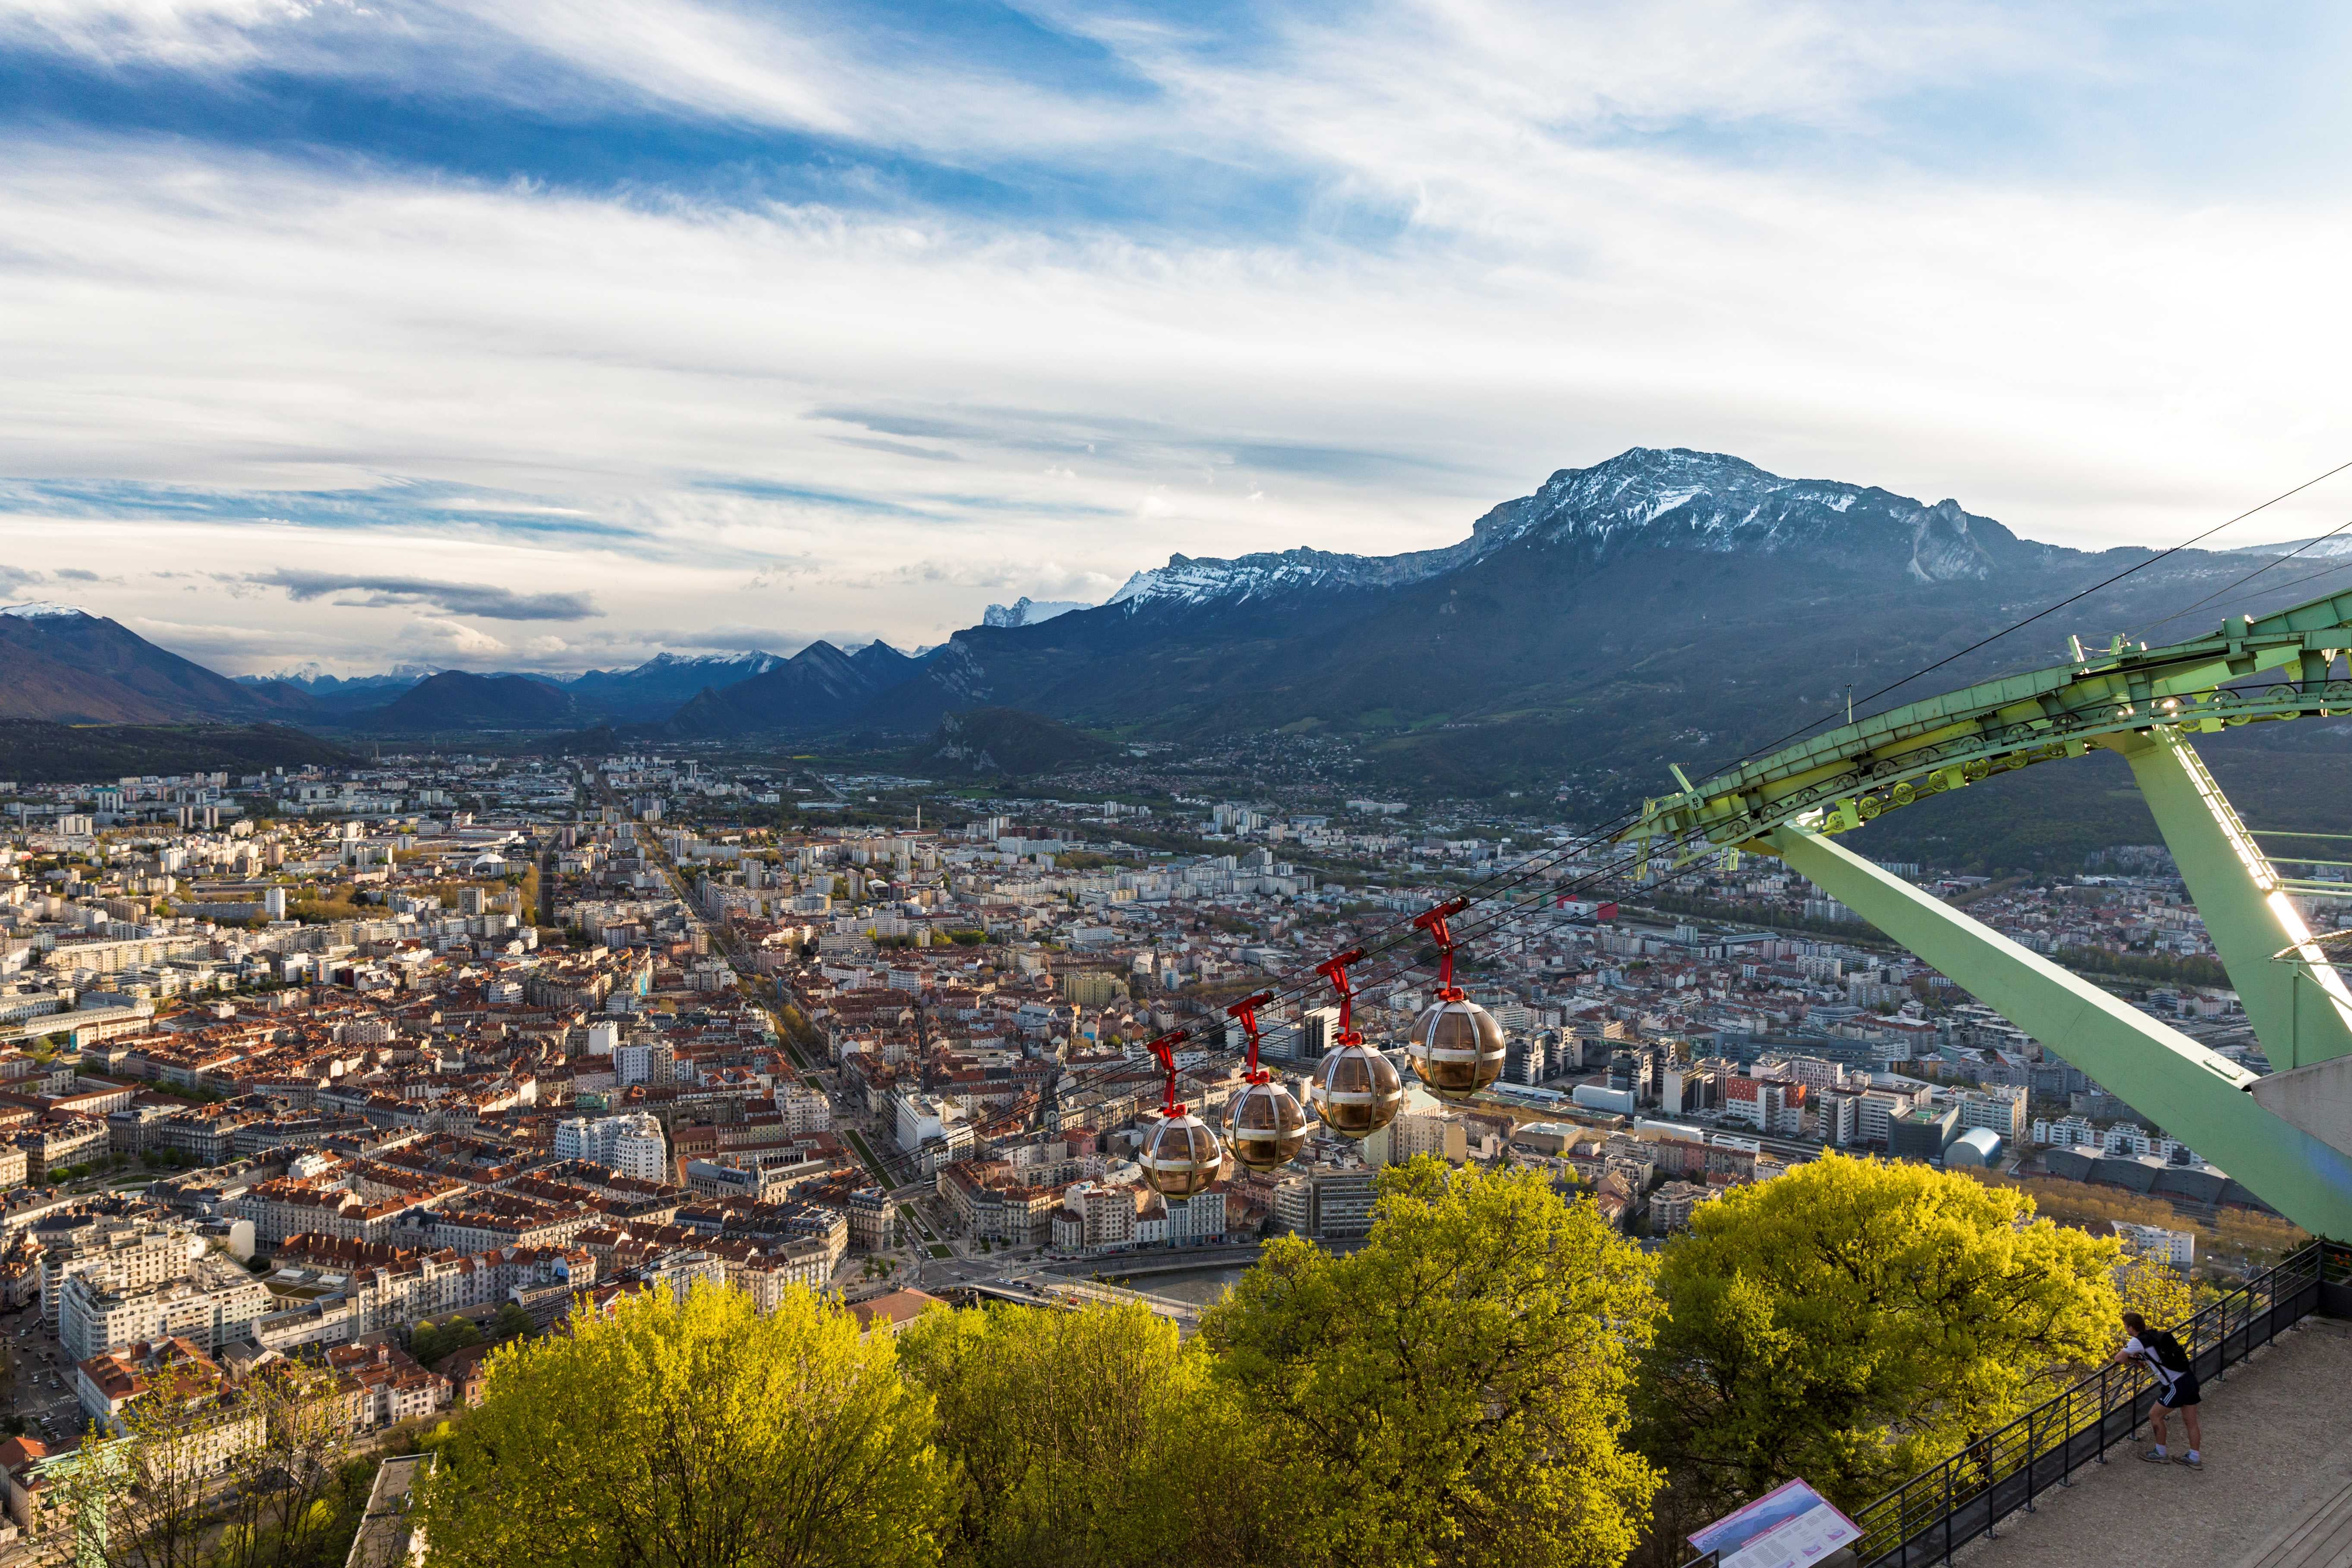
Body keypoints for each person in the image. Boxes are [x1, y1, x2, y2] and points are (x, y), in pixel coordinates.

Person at [2114, 1311, 2202, 1469]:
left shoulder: (2138, 1341)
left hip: (2177, 1385)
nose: (2126, 1329)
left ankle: (2160, 1453)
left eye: (2126, 1327)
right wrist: (2136, 1361)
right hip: (2189, 1379)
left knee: (2155, 1415)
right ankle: (2194, 1458)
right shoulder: (2153, 1335)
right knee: (2191, 1422)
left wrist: (2131, 1359)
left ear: (2130, 1328)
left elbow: (2119, 1359)